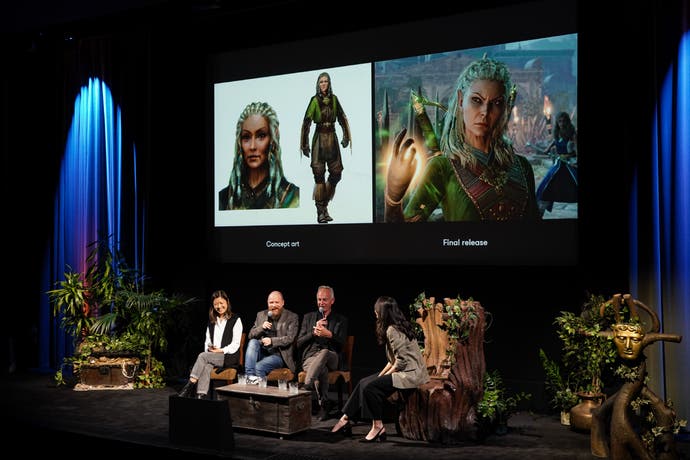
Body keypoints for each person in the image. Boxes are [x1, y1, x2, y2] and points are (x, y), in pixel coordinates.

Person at [384, 56, 540, 222]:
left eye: (496, 103)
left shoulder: (522, 167)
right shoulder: (442, 167)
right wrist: (393, 198)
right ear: (460, 100)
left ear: (505, 108)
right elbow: (402, 237)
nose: (485, 112)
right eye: (476, 100)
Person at [330, 296, 429, 442]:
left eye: (377, 310)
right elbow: (392, 360)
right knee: (364, 382)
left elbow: (400, 363)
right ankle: (345, 418)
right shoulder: (396, 326)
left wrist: (382, 378)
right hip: (404, 369)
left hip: (410, 374)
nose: (375, 312)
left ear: (383, 312)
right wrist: (381, 376)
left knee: (371, 388)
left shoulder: (392, 330)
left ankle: (378, 426)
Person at [219, 101, 299, 210]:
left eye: (261, 136)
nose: (252, 146)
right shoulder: (224, 199)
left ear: (273, 140)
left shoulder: (292, 197)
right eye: (246, 137)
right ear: (239, 142)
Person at [300, 72, 351, 223]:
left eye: (326, 81)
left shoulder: (334, 100)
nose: (323, 84)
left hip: (333, 140)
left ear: (329, 83)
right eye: (321, 82)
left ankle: (324, 205)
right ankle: (321, 212)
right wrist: (305, 144)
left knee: (336, 173)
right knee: (319, 176)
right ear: (318, 84)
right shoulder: (314, 101)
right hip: (319, 141)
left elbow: (342, 117)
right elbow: (307, 122)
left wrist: (346, 136)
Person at [177, 290, 243, 399]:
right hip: (213, 356)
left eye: (221, 303)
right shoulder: (212, 322)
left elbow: (235, 344)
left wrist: (220, 350)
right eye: (216, 304)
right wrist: (210, 348)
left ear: (227, 302)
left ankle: (190, 385)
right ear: (213, 305)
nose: (219, 306)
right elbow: (207, 342)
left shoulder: (235, 319)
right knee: (206, 366)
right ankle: (201, 396)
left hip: (228, 356)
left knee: (202, 356)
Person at [296, 285, 348, 421]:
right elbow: (299, 342)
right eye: (319, 300)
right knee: (322, 370)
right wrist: (313, 333)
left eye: (325, 300)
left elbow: (342, 343)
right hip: (310, 358)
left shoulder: (340, 320)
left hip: (332, 357)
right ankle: (324, 405)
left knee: (325, 352)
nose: (321, 303)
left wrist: (329, 334)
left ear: (332, 301)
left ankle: (306, 386)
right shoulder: (308, 317)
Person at [244, 290, 299, 383]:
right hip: (262, 352)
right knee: (253, 342)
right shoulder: (261, 315)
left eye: (276, 302)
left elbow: (290, 338)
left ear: (282, 303)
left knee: (258, 367)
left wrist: (272, 341)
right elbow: (250, 335)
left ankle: (261, 394)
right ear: (267, 303)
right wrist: (261, 327)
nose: (273, 305)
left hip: (279, 355)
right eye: (271, 302)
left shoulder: (292, 317)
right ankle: (249, 376)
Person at [535, 111, 578, 216]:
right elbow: (553, 144)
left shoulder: (572, 134)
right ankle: (539, 213)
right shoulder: (557, 134)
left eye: (564, 121)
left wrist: (569, 158)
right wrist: (546, 151)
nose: (562, 124)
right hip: (558, 165)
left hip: (569, 165)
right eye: (559, 121)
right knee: (544, 187)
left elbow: (576, 151)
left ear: (567, 122)